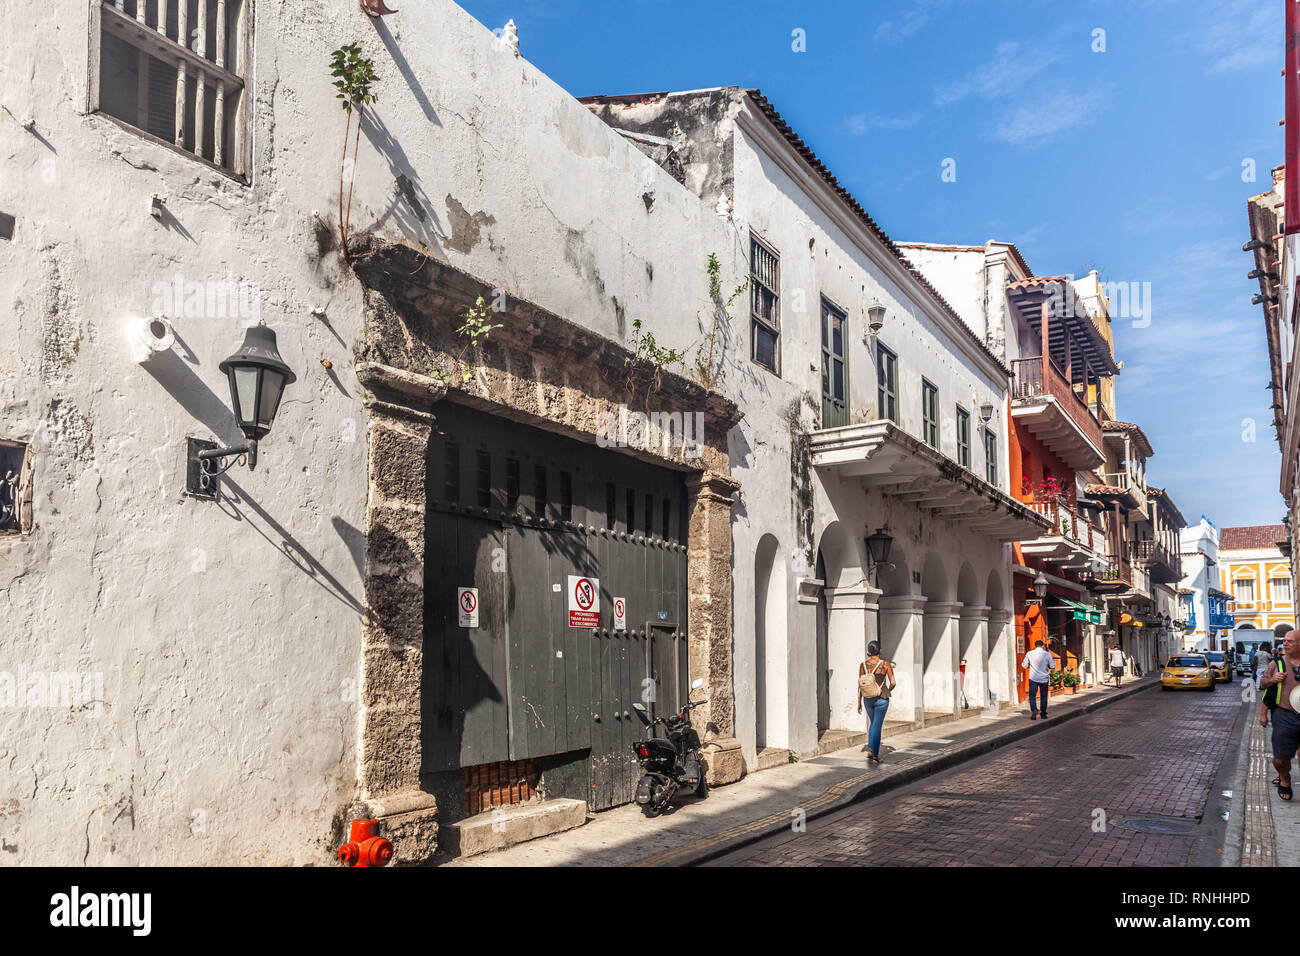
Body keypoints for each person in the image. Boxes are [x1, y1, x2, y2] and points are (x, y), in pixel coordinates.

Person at [1259, 629, 1300, 802]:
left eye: (1290, 641)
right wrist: (1272, 679)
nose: (1285, 643)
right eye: (1284, 640)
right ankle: (1285, 777)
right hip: (1284, 715)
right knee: (1280, 760)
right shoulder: (1277, 663)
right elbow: (1263, 685)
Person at [857, 641, 896, 763]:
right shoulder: (886, 664)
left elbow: (860, 684)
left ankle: (870, 749)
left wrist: (859, 702)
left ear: (869, 652)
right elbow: (893, 682)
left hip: (867, 698)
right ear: (880, 651)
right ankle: (875, 755)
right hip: (881, 697)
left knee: (873, 723)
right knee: (877, 725)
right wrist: (886, 690)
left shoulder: (863, 665)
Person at [1022, 640, 1054, 720]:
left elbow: (1024, 665)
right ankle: (1043, 713)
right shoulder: (1047, 654)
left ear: (1035, 646)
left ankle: (1034, 710)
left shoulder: (1029, 653)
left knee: (1032, 696)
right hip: (1044, 678)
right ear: (1043, 646)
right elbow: (1052, 666)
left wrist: (1030, 664)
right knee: (1043, 696)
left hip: (1033, 678)